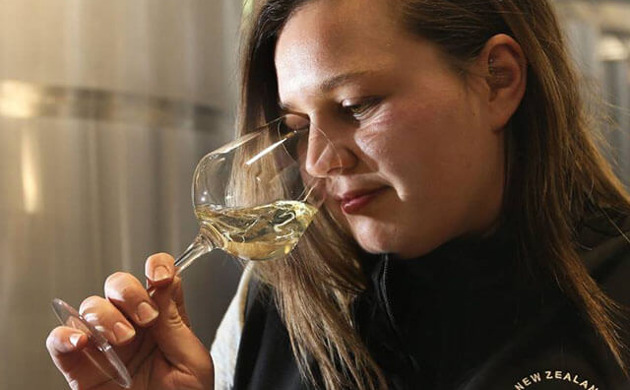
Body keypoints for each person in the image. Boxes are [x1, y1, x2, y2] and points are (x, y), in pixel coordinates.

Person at [47, 0, 630, 389]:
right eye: (298, 129)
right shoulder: (279, 300)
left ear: (498, 80)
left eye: (357, 106)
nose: (321, 162)